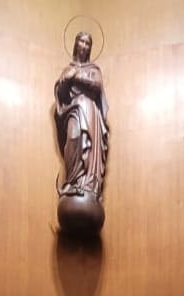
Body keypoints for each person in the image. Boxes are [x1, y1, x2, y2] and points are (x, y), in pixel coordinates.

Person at [55, 31, 108, 200]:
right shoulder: (68, 69)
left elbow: (97, 86)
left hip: (89, 109)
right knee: (73, 139)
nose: (84, 46)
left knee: (90, 145)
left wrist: (76, 77)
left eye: (87, 43)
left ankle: (88, 183)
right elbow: (61, 95)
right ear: (75, 44)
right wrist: (65, 81)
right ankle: (73, 181)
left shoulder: (93, 69)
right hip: (73, 109)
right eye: (82, 42)